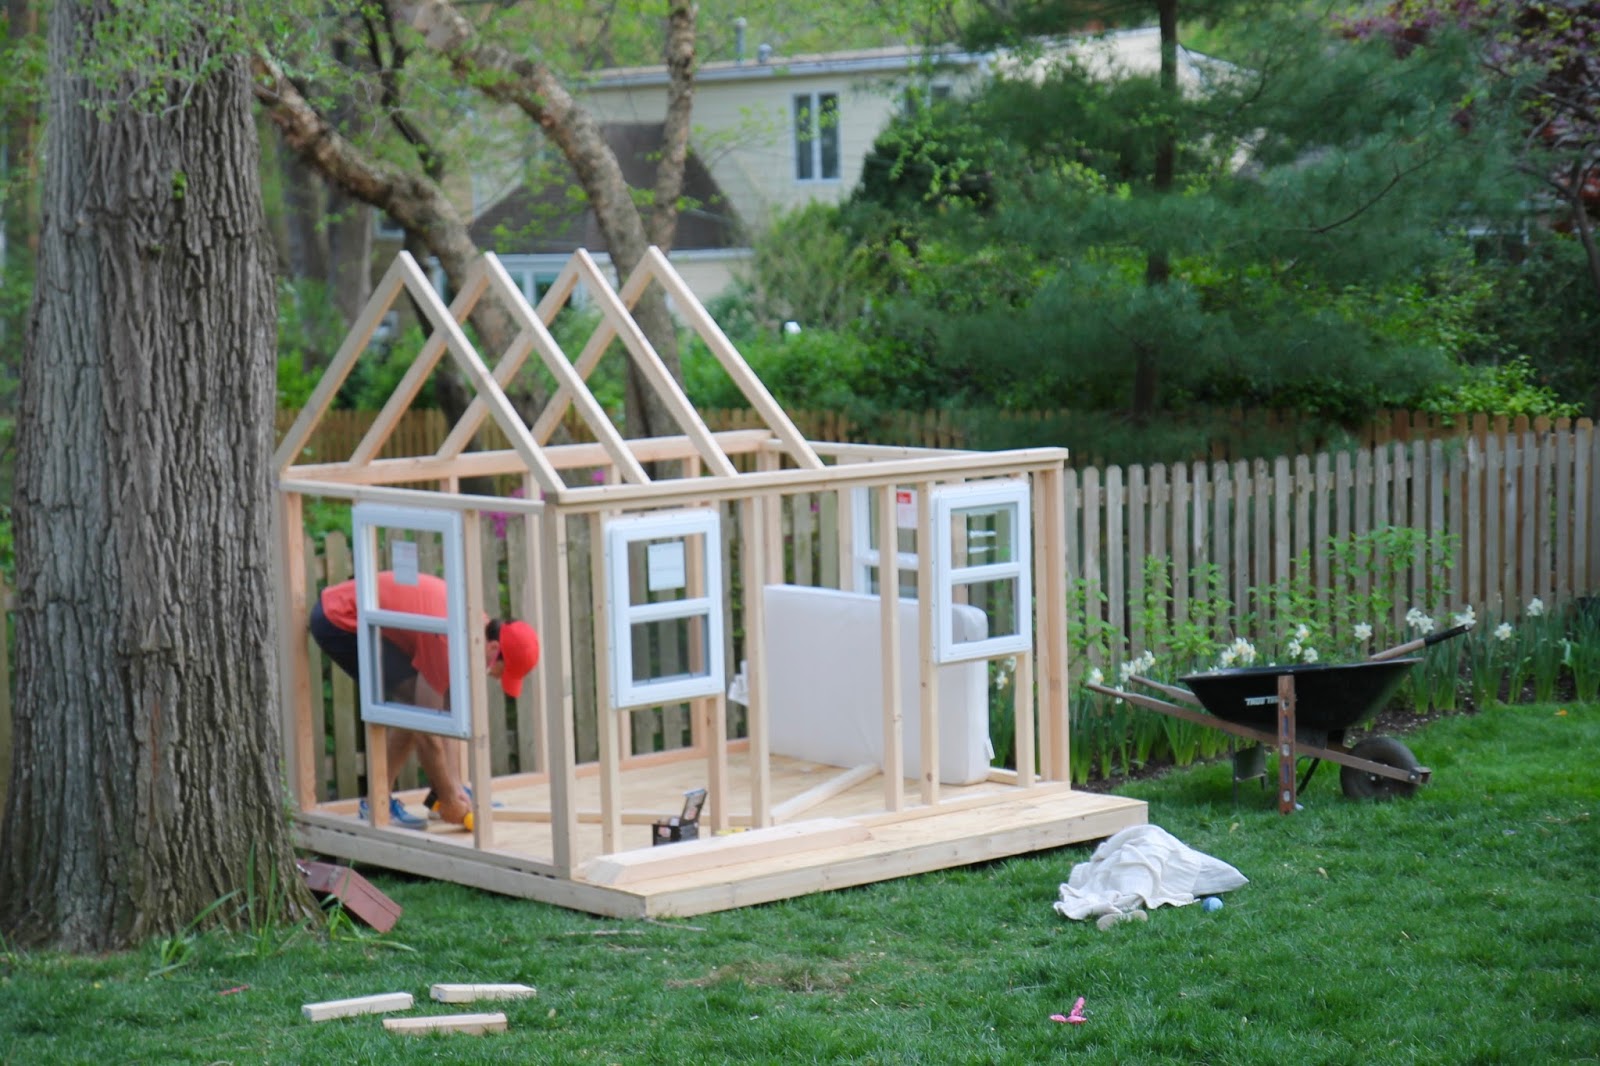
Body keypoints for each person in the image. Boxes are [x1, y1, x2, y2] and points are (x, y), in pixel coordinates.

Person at [309, 571, 539, 829]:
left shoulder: (475, 627)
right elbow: (426, 730)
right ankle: (376, 802)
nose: (495, 679)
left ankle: (443, 794)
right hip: (339, 618)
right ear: (494, 650)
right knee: (415, 711)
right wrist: (450, 799)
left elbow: (450, 713)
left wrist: (453, 787)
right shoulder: (447, 640)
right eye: (500, 673)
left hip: (364, 612)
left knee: (435, 705)